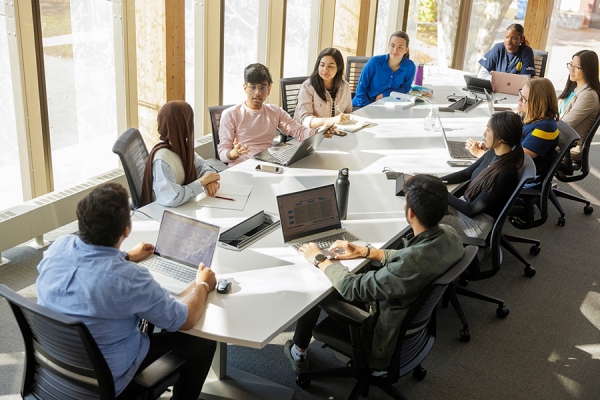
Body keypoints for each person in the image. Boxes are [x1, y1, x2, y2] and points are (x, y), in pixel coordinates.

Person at [36, 183, 217, 399]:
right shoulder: (129, 279)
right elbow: (185, 320)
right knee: (202, 343)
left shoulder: (58, 248)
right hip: (106, 384)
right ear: (126, 230)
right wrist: (202, 285)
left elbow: (90, 263)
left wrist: (126, 256)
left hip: (56, 372)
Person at [284, 174, 464, 373]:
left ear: (410, 212)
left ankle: (298, 353)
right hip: (404, 313)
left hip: (380, 334)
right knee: (349, 270)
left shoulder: (409, 265)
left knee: (319, 285)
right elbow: (410, 256)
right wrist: (366, 252)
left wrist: (319, 259)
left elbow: (352, 288)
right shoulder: (450, 234)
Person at [218, 63, 335, 167]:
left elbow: (298, 131)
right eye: (252, 87)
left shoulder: (274, 111)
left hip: (267, 165)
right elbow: (223, 154)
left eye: (262, 87)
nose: (257, 93)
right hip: (242, 168)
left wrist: (319, 132)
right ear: (245, 88)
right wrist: (233, 153)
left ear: (269, 89)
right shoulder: (231, 114)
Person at [441, 112, 525, 239]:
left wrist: (439, 190)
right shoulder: (493, 153)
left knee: (422, 220)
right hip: (466, 208)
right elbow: (466, 173)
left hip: (474, 226)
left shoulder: (505, 174)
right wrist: (436, 180)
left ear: (501, 138)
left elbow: (472, 210)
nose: (484, 134)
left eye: (488, 129)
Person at [466, 78, 559, 187]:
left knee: (471, 180)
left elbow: (515, 160)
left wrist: (482, 155)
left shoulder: (545, 129)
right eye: (520, 94)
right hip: (508, 171)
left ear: (538, 103)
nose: (518, 100)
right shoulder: (529, 117)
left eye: (523, 99)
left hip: (521, 182)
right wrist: (490, 145)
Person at [141, 100, 220, 207]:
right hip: (166, 213)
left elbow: (201, 165)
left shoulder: (182, 147)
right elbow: (173, 197)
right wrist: (201, 182)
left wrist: (209, 179)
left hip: (185, 207)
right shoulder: (162, 159)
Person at [352, 31, 416, 108]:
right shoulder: (375, 62)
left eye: (400, 47)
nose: (395, 50)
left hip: (387, 106)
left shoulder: (409, 66)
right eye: (392, 45)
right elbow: (361, 89)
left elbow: (405, 88)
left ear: (406, 50)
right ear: (388, 46)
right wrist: (368, 108)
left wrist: (386, 93)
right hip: (362, 104)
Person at [295, 47, 353, 130]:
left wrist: (343, 120)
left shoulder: (345, 86)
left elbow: (348, 112)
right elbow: (305, 120)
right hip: (308, 133)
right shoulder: (308, 87)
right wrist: (331, 120)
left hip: (334, 131)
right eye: (322, 65)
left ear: (338, 68)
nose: (325, 70)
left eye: (331, 66)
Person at [558, 50, 600, 163]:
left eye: (577, 67)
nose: (571, 69)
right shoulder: (573, 88)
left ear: (588, 69)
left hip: (568, 146)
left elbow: (565, 124)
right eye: (571, 65)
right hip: (558, 139)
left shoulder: (588, 95)